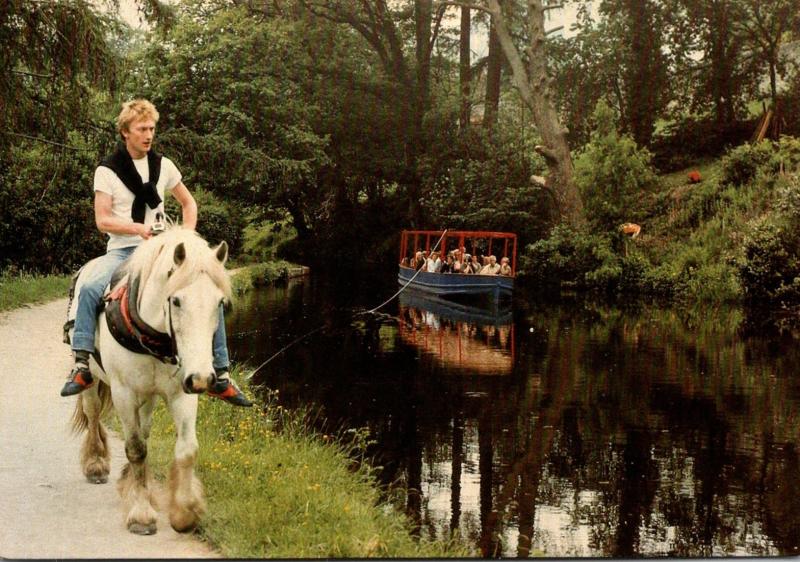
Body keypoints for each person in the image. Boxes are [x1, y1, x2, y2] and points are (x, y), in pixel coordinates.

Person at [60, 99, 251, 407]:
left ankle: (222, 373)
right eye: (141, 129)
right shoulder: (107, 170)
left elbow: (189, 203)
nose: (148, 135)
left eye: (151, 128)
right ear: (125, 132)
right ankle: (82, 362)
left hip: (161, 250)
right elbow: (102, 219)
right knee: (91, 285)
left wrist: (186, 235)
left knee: (206, 293)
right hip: (122, 249)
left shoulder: (164, 166)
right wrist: (137, 229)